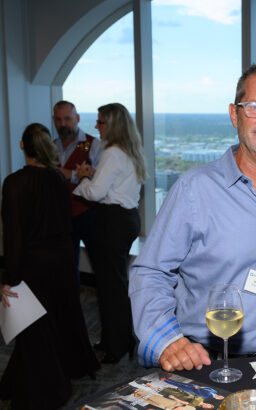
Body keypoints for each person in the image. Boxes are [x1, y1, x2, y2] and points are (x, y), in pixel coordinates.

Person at [129, 63, 256, 372]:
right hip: (207, 364)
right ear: (234, 114)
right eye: (255, 107)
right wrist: (167, 340)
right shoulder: (195, 189)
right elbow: (150, 272)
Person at [0, 123, 100, 409]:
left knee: (33, 328)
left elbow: (14, 234)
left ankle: (48, 387)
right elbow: (66, 224)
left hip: (33, 264)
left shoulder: (15, 183)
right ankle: (55, 372)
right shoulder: (58, 178)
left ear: (22, 146)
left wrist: (10, 277)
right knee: (57, 320)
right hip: (62, 260)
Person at [73, 103, 147, 364]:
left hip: (111, 221)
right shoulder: (128, 150)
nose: (96, 126)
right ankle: (121, 339)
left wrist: (82, 180)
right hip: (126, 219)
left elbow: (95, 193)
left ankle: (115, 347)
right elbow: (115, 183)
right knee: (115, 284)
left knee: (109, 287)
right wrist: (94, 176)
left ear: (112, 125)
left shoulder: (112, 152)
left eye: (101, 122)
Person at [52, 100, 103, 275]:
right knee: (66, 266)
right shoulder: (51, 146)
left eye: (67, 119)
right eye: (58, 120)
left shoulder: (93, 144)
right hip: (61, 214)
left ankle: (106, 302)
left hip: (89, 214)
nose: (63, 124)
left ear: (77, 118)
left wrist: (70, 174)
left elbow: (100, 180)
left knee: (100, 263)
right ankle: (72, 302)